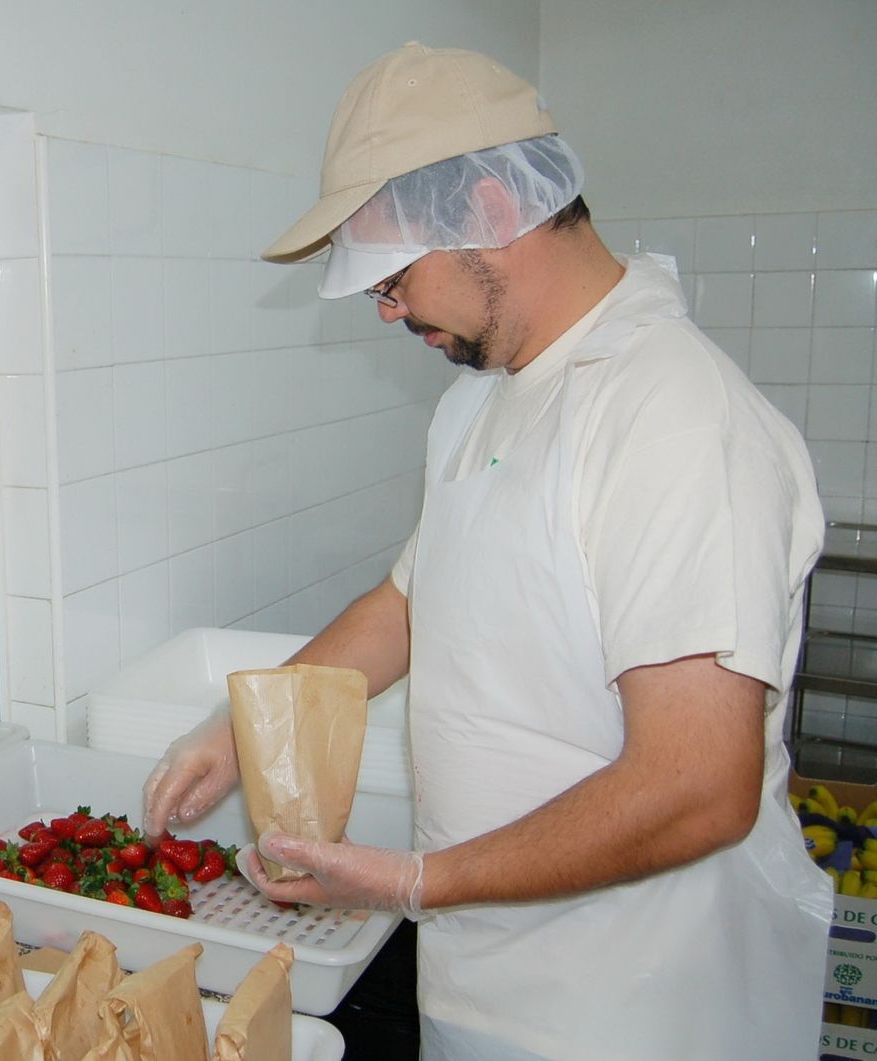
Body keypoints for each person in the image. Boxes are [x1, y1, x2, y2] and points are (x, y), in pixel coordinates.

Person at [142, 41, 832, 1059]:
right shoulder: (485, 400)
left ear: (490, 209)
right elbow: (415, 601)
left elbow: (698, 781)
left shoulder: (673, 417)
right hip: (489, 982)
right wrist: (248, 720)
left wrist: (418, 879)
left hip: (639, 1006)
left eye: (392, 274)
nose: (386, 310)